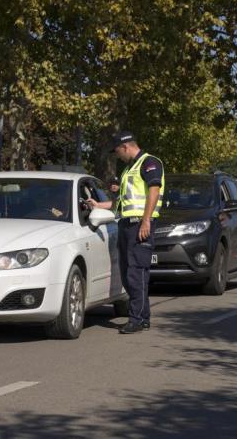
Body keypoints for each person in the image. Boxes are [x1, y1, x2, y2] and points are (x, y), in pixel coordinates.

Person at [87, 131, 164, 334]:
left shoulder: (149, 163)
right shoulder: (129, 169)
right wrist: (99, 204)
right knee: (130, 272)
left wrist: (146, 221)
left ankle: (136, 319)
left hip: (140, 224)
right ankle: (143, 316)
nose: (117, 156)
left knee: (135, 273)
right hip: (127, 224)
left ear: (126, 147)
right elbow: (121, 203)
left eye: (118, 152)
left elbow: (153, 192)